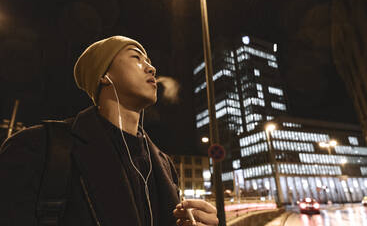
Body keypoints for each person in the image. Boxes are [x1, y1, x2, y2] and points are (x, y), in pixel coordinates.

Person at [0, 36, 219, 226]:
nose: (151, 68)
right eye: (136, 57)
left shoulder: (165, 165)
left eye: (149, 62)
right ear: (104, 76)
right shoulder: (41, 147)